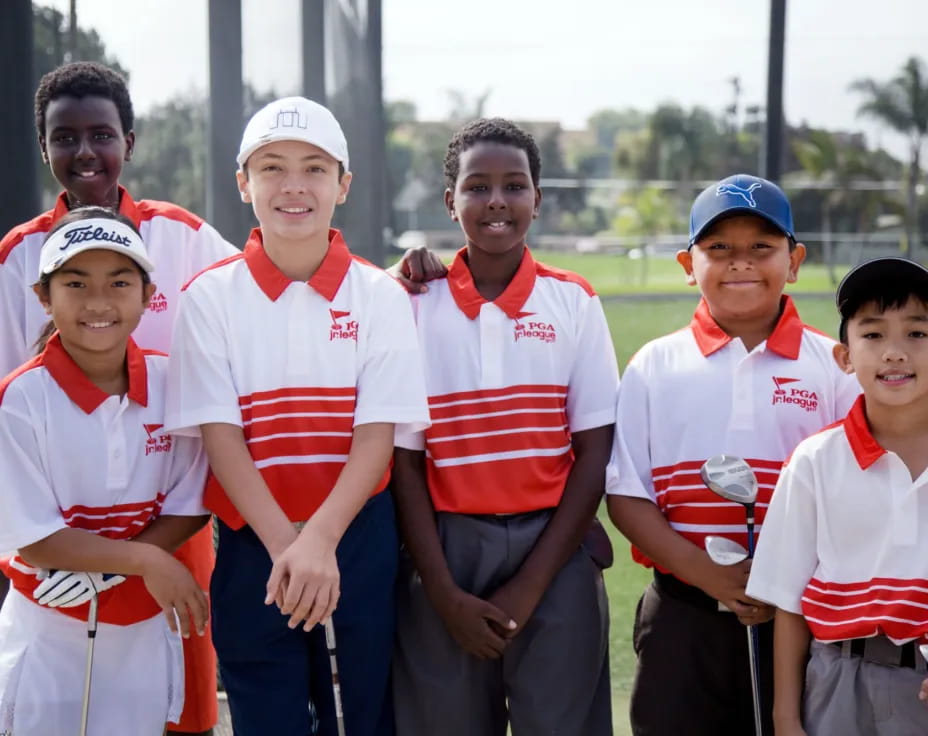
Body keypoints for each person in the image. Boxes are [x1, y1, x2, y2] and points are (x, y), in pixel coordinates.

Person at [163, 96, 429, 736]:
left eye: (314, 168)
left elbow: (377, 438)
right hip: (256, 543)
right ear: (243, 183)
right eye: (272, 167)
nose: (293, 186)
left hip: (356, 539)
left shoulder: (379, 296)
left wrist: (321, 542)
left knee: (362, 715)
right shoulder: (209, 298)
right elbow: (222, 440)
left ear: (343, 184)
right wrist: (291, 546)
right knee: (267, 715)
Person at [0, 61, 236, 736]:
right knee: (50, 702)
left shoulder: (183, 236)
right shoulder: (18, 256)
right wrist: (35, 551)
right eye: (63, 138)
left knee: (176, 709)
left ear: (128, 142)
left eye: (100, 135)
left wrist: (403, 275)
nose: (83, 153)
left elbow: (268, 284)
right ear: (43, 146)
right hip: (54, 530)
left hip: (166, 517)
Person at [606, 174, 861, 735]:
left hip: (800, 618)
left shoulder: (835, 366)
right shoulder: (654, 365)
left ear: (794, 261)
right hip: (682, 614)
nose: (740, 263)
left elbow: (853, 493)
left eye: (761, 249)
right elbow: (626, 495)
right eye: (718, 248)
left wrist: (784, 580)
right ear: (686, 263)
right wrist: (708, 575)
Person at [391, 118, 618, 735]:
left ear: (537, 200)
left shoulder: (573, 301)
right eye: (478, 186)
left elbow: (595, 451)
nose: (496, 201)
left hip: (556, 550)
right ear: (450, 200)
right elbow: (405, 460)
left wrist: (531, 584)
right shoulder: (411, 304)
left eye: (515, 186)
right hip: (445, 551)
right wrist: (440, 591)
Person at [0, 207, 210, 735]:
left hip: (142, 626)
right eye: (76, 283)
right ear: (44, 297)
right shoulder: (19, 401)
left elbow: (190, 503)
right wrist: (143, 560)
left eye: (119, 282)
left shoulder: (173, 383)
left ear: (147, 294)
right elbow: (34, 541)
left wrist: (119, 570)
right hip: (47, 629)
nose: (99, 302)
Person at [747, 257, 928, 736]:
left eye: (917, 334)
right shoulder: (814, 461)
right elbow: (789, 601)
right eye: (872, 335)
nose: (894, 352)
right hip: (837, 681)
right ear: (844, 357)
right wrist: (786, 719)